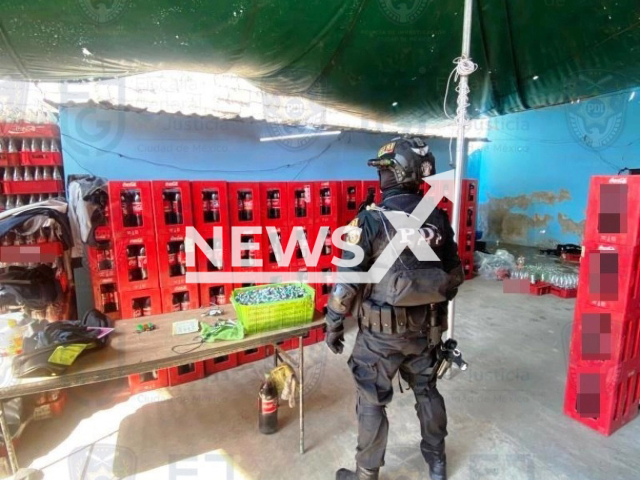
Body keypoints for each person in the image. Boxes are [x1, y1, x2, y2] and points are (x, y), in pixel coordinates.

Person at [325, 137, 464, 480]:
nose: (381, 177)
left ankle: (366, 474)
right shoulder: (439, 220)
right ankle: (437, 464)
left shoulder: (370, 222)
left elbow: (346, 285)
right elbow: (456, 277)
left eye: (385, 170)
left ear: (397, 173)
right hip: (426, 332)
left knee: (371, 400)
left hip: (379, 338)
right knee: (427, 390)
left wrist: (332, 324)